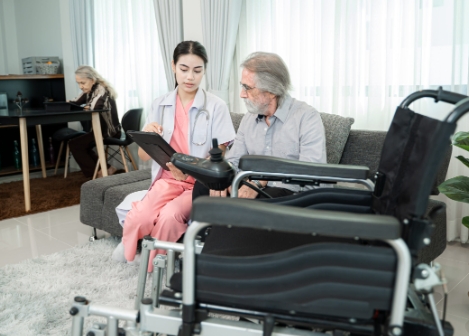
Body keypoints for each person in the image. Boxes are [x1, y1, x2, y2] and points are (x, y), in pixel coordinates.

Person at [112, 41, 236, 271]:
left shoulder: (216, 106)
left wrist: (189, 168)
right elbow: (144, 155)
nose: (190, 77)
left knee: (170, 216)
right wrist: (148, 133)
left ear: (204, 70)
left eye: (197, 71)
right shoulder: (159, 104)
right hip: (166, 180)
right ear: (173, 66)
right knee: (141, 215)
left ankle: (154, 265)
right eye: (184, 69)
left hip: (198, 183)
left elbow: (222, 159)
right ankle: (130, 251)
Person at [192, 51, 327, 256]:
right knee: (204, 188)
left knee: (265, 200)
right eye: (242, 86)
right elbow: (235, 160)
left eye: (247, 87)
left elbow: (310, 175)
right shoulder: (249, 119)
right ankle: (207, 252)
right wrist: (226, 179)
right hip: (248, 188)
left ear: (271, 91)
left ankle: (231, 258)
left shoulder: (306, 118)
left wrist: (261, 181)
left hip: (290, 194)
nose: (241, 94)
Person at [68, 66, 121, 178]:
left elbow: (96, 106)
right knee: (78, 144)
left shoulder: (101, 89)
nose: (80, 86)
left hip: (109, 131)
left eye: (83, 82)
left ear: (92, 79)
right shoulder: (90, 89)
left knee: (75, 144)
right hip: (100, 130)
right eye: (78, 83)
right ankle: (105, 169)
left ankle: (94, 175)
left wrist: (88, 106)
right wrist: (64, 104)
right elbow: (75, 102)